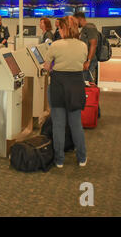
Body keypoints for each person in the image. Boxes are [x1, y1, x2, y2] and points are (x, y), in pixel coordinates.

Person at [43, 16, 88, 168]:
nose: (59, 31)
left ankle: (59, 160)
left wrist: (54, 64)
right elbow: (82, 63)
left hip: (58, 86)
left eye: (60, 28)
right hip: (76, 85)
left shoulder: (55, 45)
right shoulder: (83, 46)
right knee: (76, 124)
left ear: (64, 28)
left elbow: (46, 67)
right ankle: (82, 158)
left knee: (58, 125)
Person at [73, 12, 98, 83]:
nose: (75, 23)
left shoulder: (90, 28)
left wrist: (88, 61)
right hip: (85, 61)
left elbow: (93, 44)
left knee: (86, 82)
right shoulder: (84, 29)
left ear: (80, 19)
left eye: (75, 21)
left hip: (89, 61)